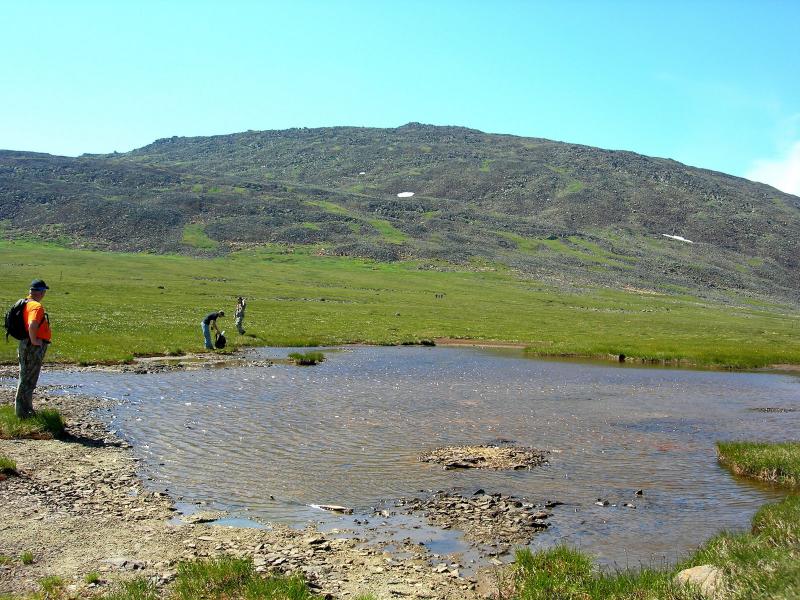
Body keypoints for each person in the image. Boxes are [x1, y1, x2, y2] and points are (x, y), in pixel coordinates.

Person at [15, 279, 52, 418]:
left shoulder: (25, 302)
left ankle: (24, 410)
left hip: (25, 343)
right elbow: (32, 324)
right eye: (44, 291)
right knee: (29, 378)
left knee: (25, 375)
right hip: (32, 346)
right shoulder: (36, 306)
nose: (44, 294)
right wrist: (35, 340)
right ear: (41, 292)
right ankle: (23, 413)